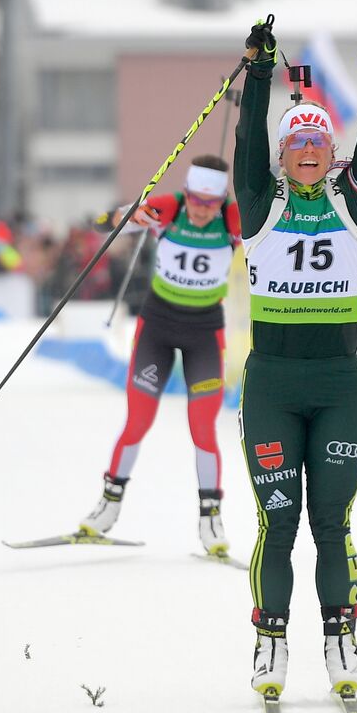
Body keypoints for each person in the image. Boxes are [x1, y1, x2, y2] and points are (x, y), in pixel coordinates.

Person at [233, 18, 357, 700]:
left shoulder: (349, 202)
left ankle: (341, 637)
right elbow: (246, 139)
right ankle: (269, 644)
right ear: (282, 153)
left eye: (318, 143)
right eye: (297, 142)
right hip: (272, 384)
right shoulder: (258, 202)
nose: (307, 151)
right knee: (279, 522)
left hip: (336, 386)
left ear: (331, 153)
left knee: (332, 524)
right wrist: (260, 71)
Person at [78, 154, 243, 558]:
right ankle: (107, 507)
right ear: (188, 193)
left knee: (203, 428)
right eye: (197, 200)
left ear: (221, 199)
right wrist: (117, 217)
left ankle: (210, 521)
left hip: (205, 331)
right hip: (158, 327)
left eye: (211, 202)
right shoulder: (170, 208)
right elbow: (119, 221)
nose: (203, 210)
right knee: (137, 421)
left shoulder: (233, 218)